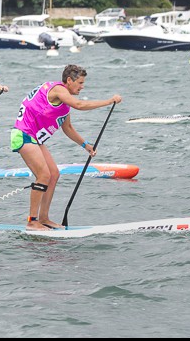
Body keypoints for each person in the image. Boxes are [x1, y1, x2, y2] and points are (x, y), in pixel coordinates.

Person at [10, 64, 122, 230]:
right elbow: (80, 105)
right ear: (69, 80)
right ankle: (32, 221)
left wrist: (86, 145)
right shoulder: (58, 89)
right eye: (80, 83)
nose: (82, 87)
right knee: (43, 175)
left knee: (54, 174)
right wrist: (109, 101)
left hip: (35, 139)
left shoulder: (64, 102)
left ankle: (44, 218)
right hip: (23, 135)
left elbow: (67, 128)